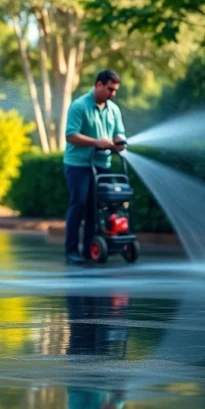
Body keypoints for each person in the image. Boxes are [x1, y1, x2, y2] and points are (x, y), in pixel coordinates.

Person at [63, 69, 127, 265]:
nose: (113, 94)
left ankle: (90, 248)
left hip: (102, 164)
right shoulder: (79, 106)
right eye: (110, 89)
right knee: (79, 205)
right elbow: (70, 135)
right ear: (99, 84)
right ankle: (71, 251)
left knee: (97, 208)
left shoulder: (114, 110)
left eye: (115, 90)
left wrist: (119, 142)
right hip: (78, 165)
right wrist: (95, 142)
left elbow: (118, 133)